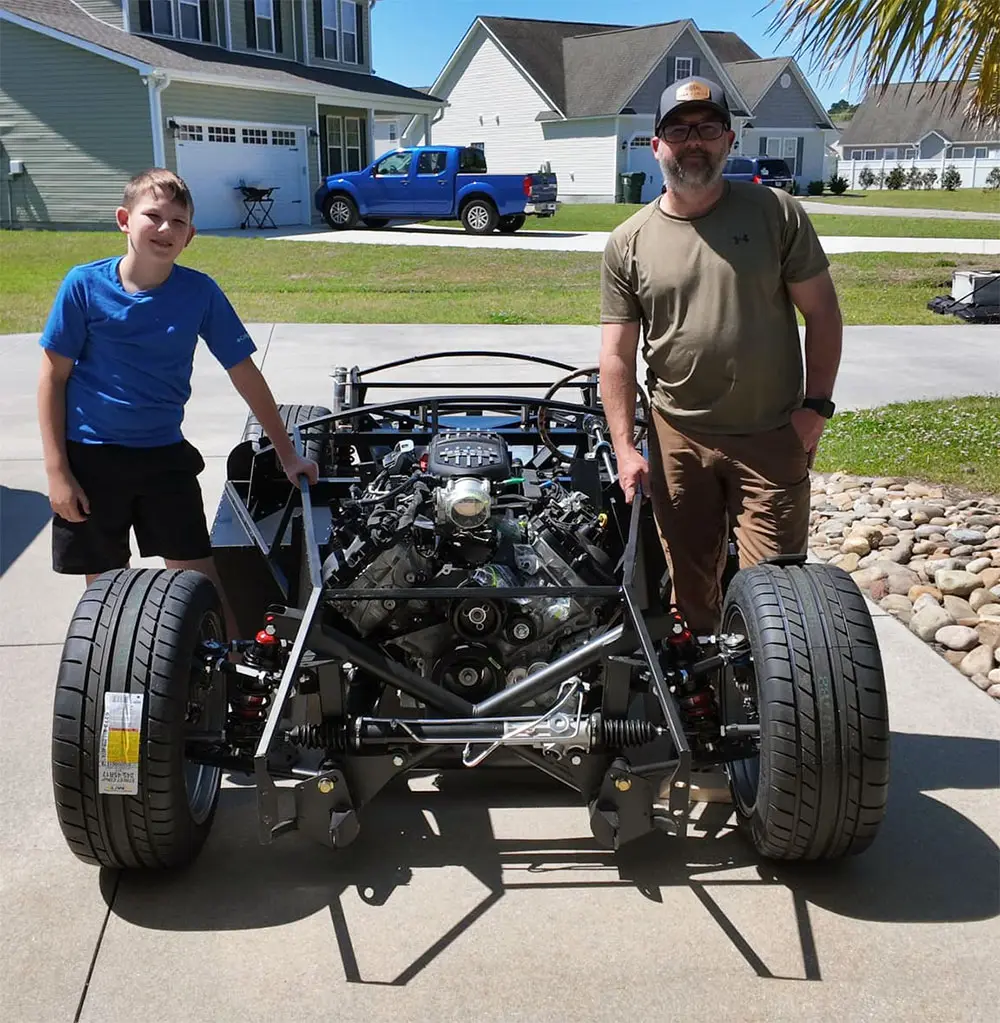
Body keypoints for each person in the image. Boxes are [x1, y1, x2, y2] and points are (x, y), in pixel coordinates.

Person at [599, 77, 843, 636]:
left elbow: (823, 314)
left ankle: (768, 681)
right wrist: (625, 448)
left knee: (779, 597)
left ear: (730, 140)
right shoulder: (628, 241)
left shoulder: (775, 213)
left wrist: (816, 408)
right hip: (677, 440)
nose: (694, 142)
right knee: (690, 587)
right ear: (656, 145)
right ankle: (708, 673)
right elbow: (616, 355)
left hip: (769, 437)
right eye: (678, 131)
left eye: (708, 128)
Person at [37, 168, 318, 638]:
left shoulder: (199, 292)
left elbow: (244, 373)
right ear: (124, 220)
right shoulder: (83, 286)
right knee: (106, 595)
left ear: (190, 236)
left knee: (200, 585)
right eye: (153, 216)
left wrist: (288, 454)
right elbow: (52, 377)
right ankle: (116, 674)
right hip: (91, 461)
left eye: (179, 221)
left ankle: (231, 672)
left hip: (163, 457)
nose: (165, 228)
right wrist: (57, 472)